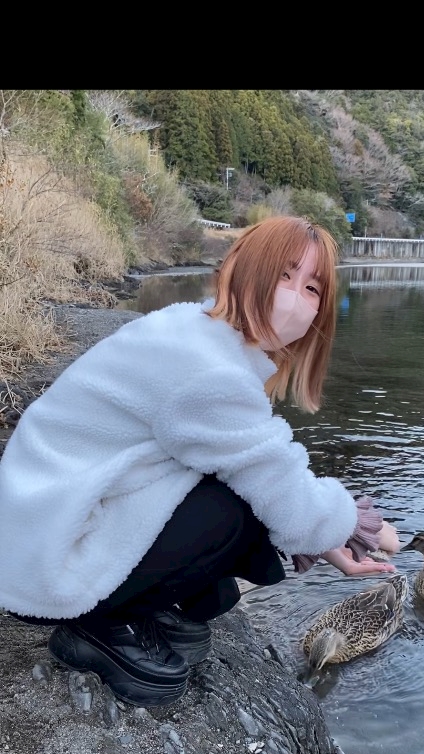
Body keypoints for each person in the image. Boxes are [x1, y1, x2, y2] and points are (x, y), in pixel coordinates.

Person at [0, 215, 400, 708]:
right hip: (47, 562)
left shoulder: (195, 332)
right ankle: (99, 627)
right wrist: (361, 527)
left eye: (312, 288)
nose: (295, 298)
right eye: (284, 274)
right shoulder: (208, 369)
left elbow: (260, 465)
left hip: (40, 530)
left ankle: (148, 605)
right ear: (242, 269)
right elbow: (279, 489)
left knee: (238, 519)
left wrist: (328, 540)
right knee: (235, 510)